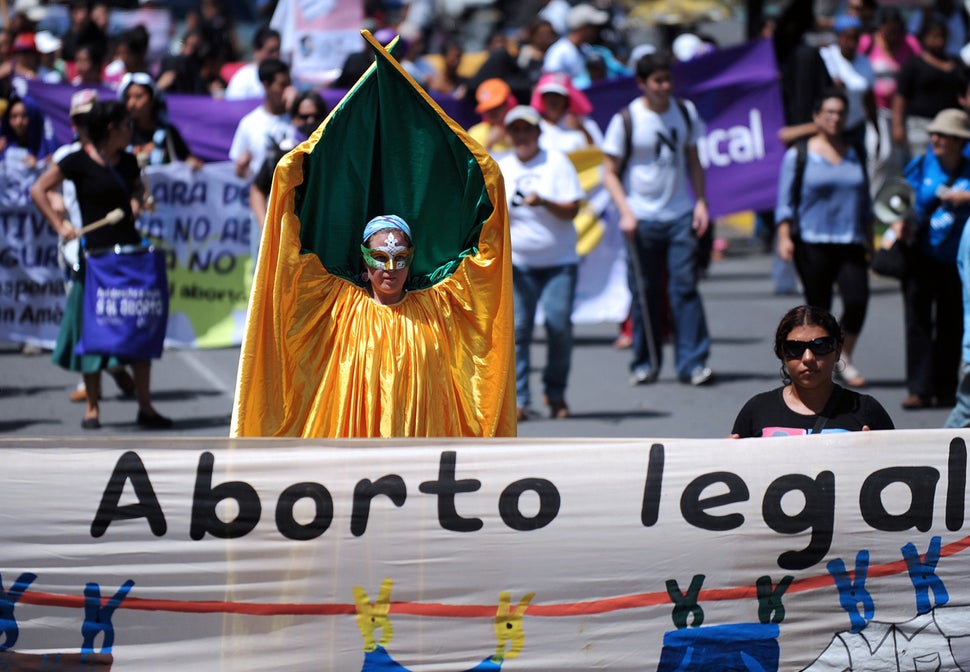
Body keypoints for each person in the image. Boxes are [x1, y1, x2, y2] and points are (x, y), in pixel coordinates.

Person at [29, 100, 172, 430]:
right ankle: (92, 407)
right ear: (112, 129)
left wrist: (137, 202)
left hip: (130, 256)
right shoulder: (77, 160)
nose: (131, 130)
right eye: (126, 125)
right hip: (94, 259)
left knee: (139, 328)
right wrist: (59, 225)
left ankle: (146, 406)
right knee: (90, 333)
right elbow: (38, 189)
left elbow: (136, 190)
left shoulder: (128, 162)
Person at [600, 51, 714, 387]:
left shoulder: (684, 111)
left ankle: (693, 364)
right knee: (645, 292)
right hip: (641, 218)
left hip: (679, 214)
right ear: (642, 84)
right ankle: (645, 362)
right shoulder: (627, 119)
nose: (664, 87)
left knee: (685, 288)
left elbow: (694, 159)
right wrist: (626, 212)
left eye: (668, 80)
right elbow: (608, 173)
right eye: (657, 81)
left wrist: (702, 202)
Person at [775, 90, 872, 389]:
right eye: (828, 112)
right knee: (819, 310)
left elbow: (864, 200)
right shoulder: (799, 155)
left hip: (850, 240)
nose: (835, 118)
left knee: (857, 300)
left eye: (840, 113)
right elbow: (784, 201)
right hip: (811, 242)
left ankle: (843, 357)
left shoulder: (855, 151)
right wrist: (783, 236)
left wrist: (870, 239)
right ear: (816, 117)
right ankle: (818, 363)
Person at [497, 105, 583, 421]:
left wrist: (544, 202)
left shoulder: (556, 163)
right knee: (518, 331)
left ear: (537, 133)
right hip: (519, 264)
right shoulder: (501, 168)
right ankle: (519, 398)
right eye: (516, 130)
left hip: (559, 262)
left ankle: (556, 392)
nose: (522, 136)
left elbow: (572, 209)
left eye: (527, 129)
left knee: (558, 326)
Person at [893, 108, 970, 409]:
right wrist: (898, 222)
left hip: (956, 261)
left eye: (943, 135)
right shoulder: (922, 164)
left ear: (959, 140)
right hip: (920, 256)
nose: (935, 138)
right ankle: (919, 389)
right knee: (918, 323)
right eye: (933, 134)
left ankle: (947, 388)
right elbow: (898, 198)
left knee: (952, 324)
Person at [731, 305, 894, 437]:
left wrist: (876, 452)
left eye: (820, 346)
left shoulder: (866, 411)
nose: (808, 357)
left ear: (837, 352)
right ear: (782, 354)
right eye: (795, 348)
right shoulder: (758, 410)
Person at [893, 17, 968, 162]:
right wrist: (898, 126)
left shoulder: (957, 64)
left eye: (942, 36)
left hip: (951, 127)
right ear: (924, 37)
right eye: (934, 36)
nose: (939, 41)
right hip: (920, 126)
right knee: (922, 162)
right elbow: (900, 96)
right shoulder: (914, 64)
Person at [228, 58, 295, 179]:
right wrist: (242, 169)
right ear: (266, 85)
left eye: (289, 84)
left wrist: (296, 107)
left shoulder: (300, 118)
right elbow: (238, 171)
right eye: (282, 85)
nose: (288, 90)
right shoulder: (249, 123)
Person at [120, 72, 203, 169]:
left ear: (152, 99)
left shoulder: (168, 133)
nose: (131, 103)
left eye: (138, 97)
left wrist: (193, 165)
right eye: (128, 97)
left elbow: (187, 158)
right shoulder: (122, 132)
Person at [542, 3, 610, 89]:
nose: (596, 32)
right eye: (593, 28)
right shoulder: (559, 51)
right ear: (582, 28)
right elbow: (550, 83)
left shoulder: (586, 49)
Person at [224, 25, 281, 101]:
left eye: (278, 50)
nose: (276, 55)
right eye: (271, 51)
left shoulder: (284, 75)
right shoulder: (243, 77)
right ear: (257, 50)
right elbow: (233, 106)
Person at [467, 77, 515, 159]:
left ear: (507, 103)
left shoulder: (522, 127)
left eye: (496, 107)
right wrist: (489, 144)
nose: (492, 113)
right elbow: (473, 165)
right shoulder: (476, 133)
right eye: (488, 109)